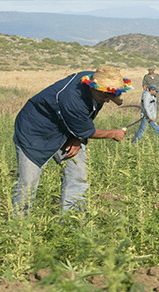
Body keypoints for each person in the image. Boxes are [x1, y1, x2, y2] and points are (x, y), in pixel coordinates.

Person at [12, 66, 133, 216]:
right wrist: (112, 133)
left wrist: (77, 138)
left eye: (111, 94)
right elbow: (86, 128)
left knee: (78, 174)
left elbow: (84, 120)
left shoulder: (95, 87)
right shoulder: (72, 98)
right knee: (28, 183)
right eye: (105, 94)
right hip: (34, 131)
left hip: (64, 129)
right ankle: (18, 229)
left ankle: (71, 222)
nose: (108, 100)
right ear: (93, 87)